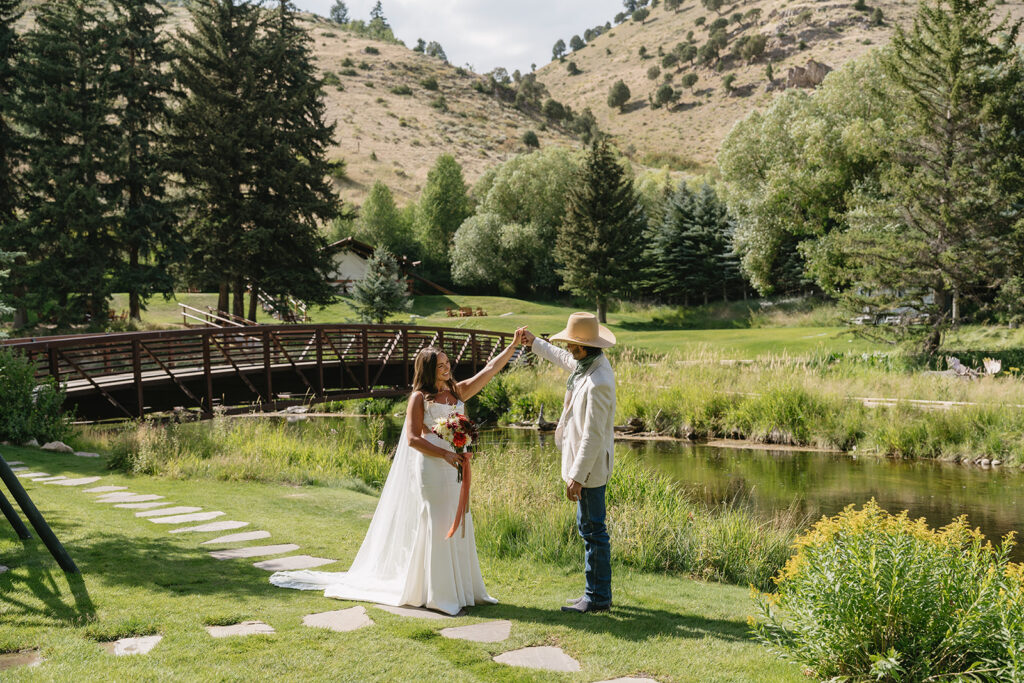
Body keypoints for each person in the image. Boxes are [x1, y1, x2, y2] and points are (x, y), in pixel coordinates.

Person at [269, 331, 524, 615]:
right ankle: (438, 595)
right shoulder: (419, 398)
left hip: (456, 466)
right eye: (440, 365)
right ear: (428, 370)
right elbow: (414, 438)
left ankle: (463, 590)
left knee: (459, 519)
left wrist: (513, 345)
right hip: (431, 467)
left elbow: (490, 369)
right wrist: (445, 453)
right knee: (437, 524)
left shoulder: (457, 392)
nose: (446, 367)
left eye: (447, 363)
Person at [519, 313, 616, 613]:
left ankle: (597, 597)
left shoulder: (598, 381)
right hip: (583, 466)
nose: (569, 348)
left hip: (589, 468)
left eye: (574, 344)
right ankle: (594, 592)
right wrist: (535, 343)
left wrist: (577, 476)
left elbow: (593, 436)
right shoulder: (587, 364)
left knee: (592, 530)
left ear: (585, 347)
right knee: (588, 526)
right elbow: (562, 357)